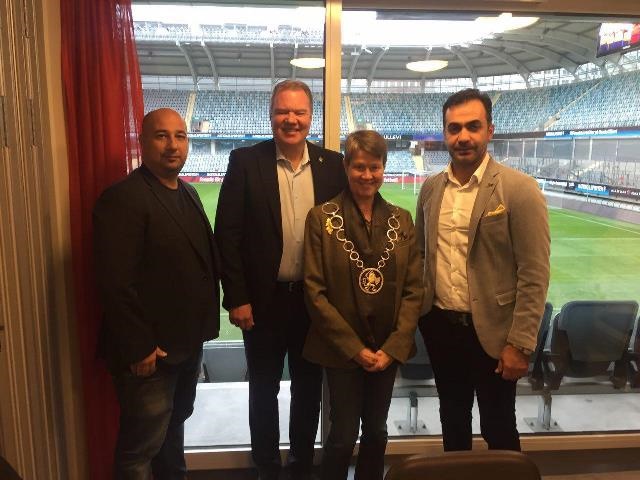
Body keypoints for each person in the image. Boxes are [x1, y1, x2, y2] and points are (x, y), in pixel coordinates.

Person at [214, 80, 347, 480]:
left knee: (308, 389)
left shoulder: (333, 165)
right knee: (263, 389)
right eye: (282, 111)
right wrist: (237, 297)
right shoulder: (245, 161)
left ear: (311, 116)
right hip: (262, 301)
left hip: (314, 303)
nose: (291, 119)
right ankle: (267, 468)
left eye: (299, 112)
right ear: (270, 115)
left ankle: (301, 465)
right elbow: (228, 235)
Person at [415, 88, 551, 451]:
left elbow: (535, 273)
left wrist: (520, 344)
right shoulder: (430, 189)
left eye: (472, 126)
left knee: (499, 427)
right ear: (445, 133)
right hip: (441, 327)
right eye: (454, 128)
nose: (463, 136)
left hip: (495, 334)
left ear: (489, 130)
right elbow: (422, 257)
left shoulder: (519, 189)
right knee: (452, 421)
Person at [93, 108, 220, 479]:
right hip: (150, 354)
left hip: (185, 345)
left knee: (172, 431)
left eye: (180, 136)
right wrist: (139, 346)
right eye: (161, 136)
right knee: (140, 450)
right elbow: (115, 282)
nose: (172, 145)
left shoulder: (189, 193)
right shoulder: (123, 198)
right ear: (142, 142)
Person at [303, 130, 423, 480]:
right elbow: (314, 292)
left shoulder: (402, 220)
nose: (367, 175)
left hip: (387, 350)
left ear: (384, 167)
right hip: (341, 350)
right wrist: (355, 349)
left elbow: (414, 290)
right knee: (341, 437)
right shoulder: (321, 219)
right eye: (359, 166)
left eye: (374, 167)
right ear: (346, 167)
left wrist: (394, 347)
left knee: (376, 433)